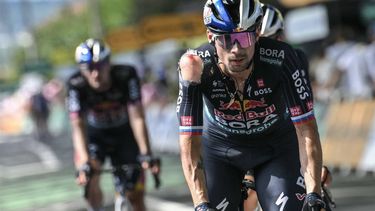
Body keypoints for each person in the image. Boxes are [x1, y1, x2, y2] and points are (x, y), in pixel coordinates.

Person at [176, 0, 325, 210]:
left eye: (244, 38)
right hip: (221, 151)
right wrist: (201, 204)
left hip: (276, 149)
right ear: (210, 37)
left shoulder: (282, 58)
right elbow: (189, 142)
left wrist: (313, 193)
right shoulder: (194, 65)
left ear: (257, 34)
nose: (236, 49)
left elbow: (306, 130)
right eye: (226, 40)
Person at [242, 4, 335, 211]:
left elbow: (306, 122)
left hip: (287, 138)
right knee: (246, 197)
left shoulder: (293, 58)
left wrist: (315, 167)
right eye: (259, 42)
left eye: (272, 40)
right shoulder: (240, 64)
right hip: (248, 139)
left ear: (281, 38)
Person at [66, 38, 160, 211]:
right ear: (81, 69)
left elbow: (137, 117)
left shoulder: (126, 75)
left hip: (125, 135)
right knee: (89, 177)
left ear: (109, 64)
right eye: (89, 69)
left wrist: (146, 152)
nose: (95, 74)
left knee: (135, 196)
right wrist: (84, 162)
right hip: (95, 137)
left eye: (100, 67)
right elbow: (77, 125)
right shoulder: (75, 84)